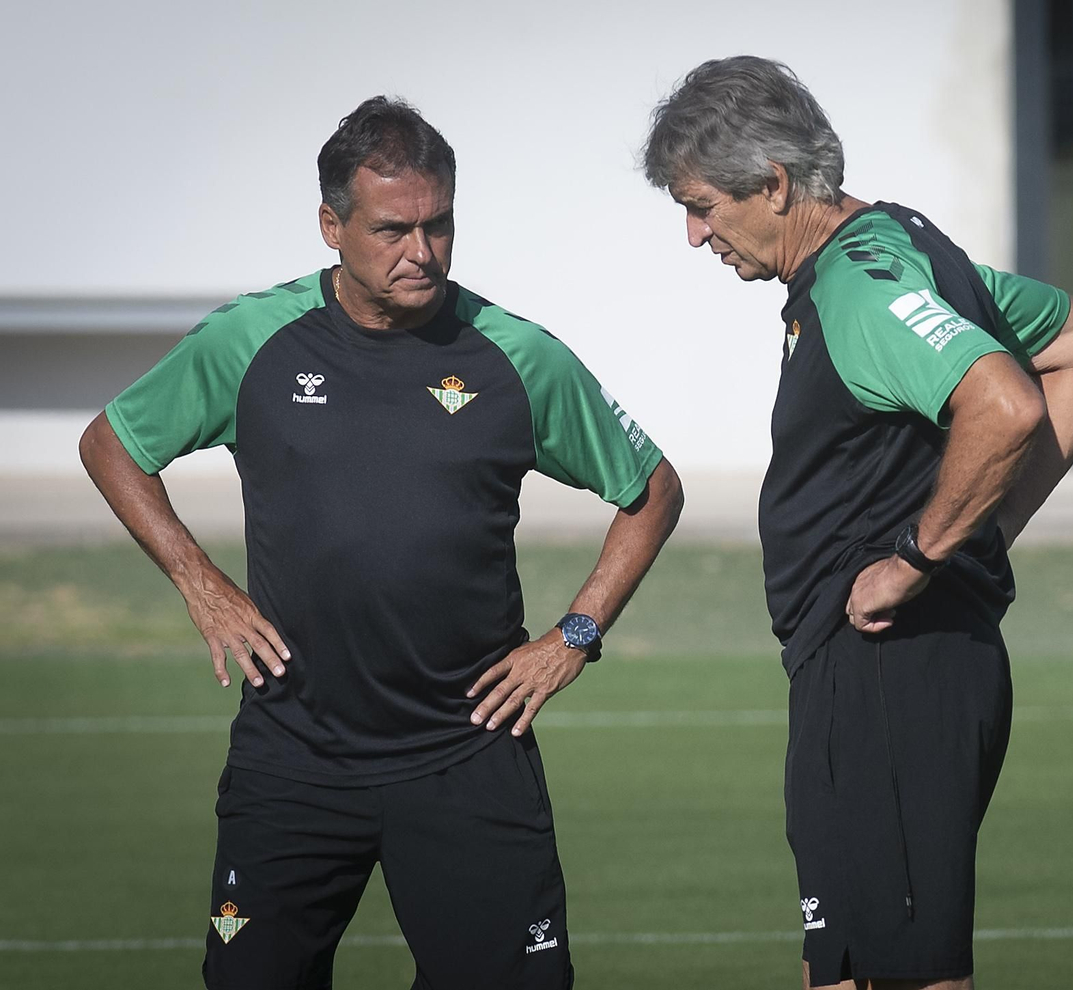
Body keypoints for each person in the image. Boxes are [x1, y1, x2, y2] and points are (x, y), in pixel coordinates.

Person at [79, 95, 682, 990]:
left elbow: (652, 489)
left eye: (439, 226)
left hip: (470, 753)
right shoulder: (252, 341)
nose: (422, 252)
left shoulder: (513, 354)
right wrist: (199, 580)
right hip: (294, 754)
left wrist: (575, 635)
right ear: (331, 225)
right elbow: (112, 446)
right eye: (394, 229)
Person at [642, 57, 1073, 990]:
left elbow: (1008, 405)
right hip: (885, 672)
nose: (695, 235)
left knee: (904, 973)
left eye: (701, 206)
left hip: (890, 671)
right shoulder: (899, 248)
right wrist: (984, 522)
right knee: (854, 966)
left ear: (774, 185)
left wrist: (920, 553)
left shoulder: (858, 287)